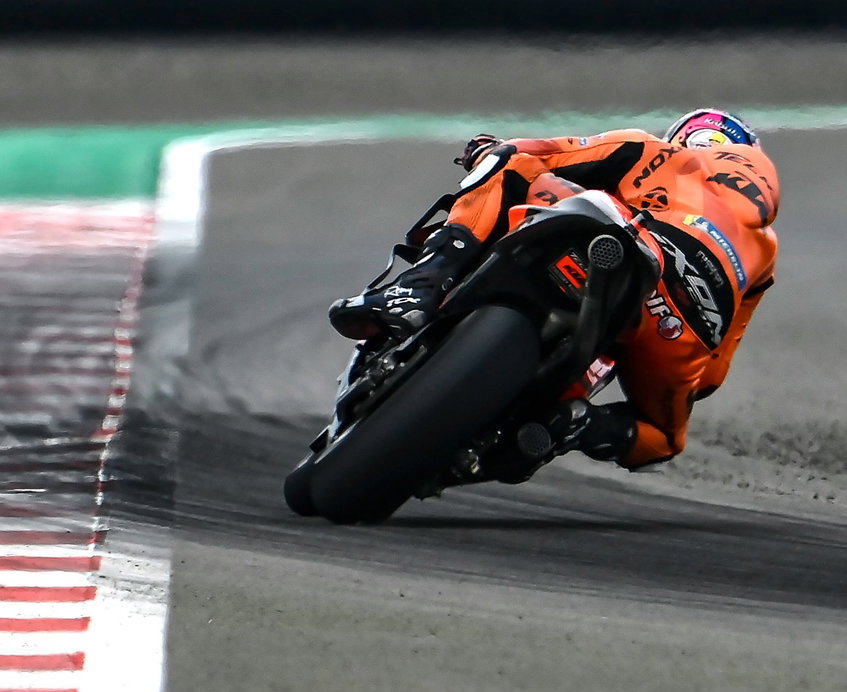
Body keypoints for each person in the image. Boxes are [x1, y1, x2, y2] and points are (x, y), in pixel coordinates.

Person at [328, 108, 780, 470]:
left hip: (635, 239)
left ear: (686, 137)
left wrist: (485, 150)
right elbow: (711, 377)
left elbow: (538, 152)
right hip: (683, 327)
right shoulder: (764, 249)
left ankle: (420, 288)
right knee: (663, 438)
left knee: (511, 164)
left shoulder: (657, 151)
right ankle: (572, 423)